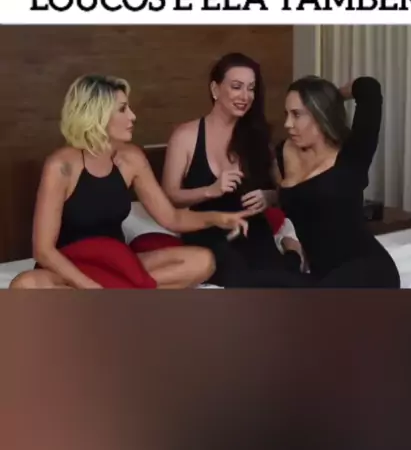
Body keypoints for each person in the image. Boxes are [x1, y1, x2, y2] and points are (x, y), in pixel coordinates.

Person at [9, 74, 249, 290]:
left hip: (118, 262)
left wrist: (217, 218)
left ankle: (115, 297)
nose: (132, 116)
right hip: (69, 267)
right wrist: (90, 287)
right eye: (123, 109)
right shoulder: (61, 166)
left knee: (203, 260)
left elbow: (172, 218)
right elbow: (43, 250)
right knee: (25, 285)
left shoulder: (132, 159)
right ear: (98, 114)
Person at [162, 53, 304, 285]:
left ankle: (292, 252)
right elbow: (170, 197)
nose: (245, 96)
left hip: (252, 229)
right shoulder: (185, 136)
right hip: (207, 230)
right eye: (236, 87)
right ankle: (292, 252)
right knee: (241, 279)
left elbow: (283, 191)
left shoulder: (258, 137)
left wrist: (269, 197)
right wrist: (210, 190)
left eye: (251, 88)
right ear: (215, 89)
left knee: (287, 283)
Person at [275, 75, 401, 288]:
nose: (288, 124)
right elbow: (297, 201)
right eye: (286, 114)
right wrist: (270, 196)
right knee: (252, 284)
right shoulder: (284, 151)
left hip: (366, 269)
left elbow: (369, 88)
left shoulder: (353, 153)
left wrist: (334, 96)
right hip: (323, 277)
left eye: (296, 114)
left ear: (320, 112)